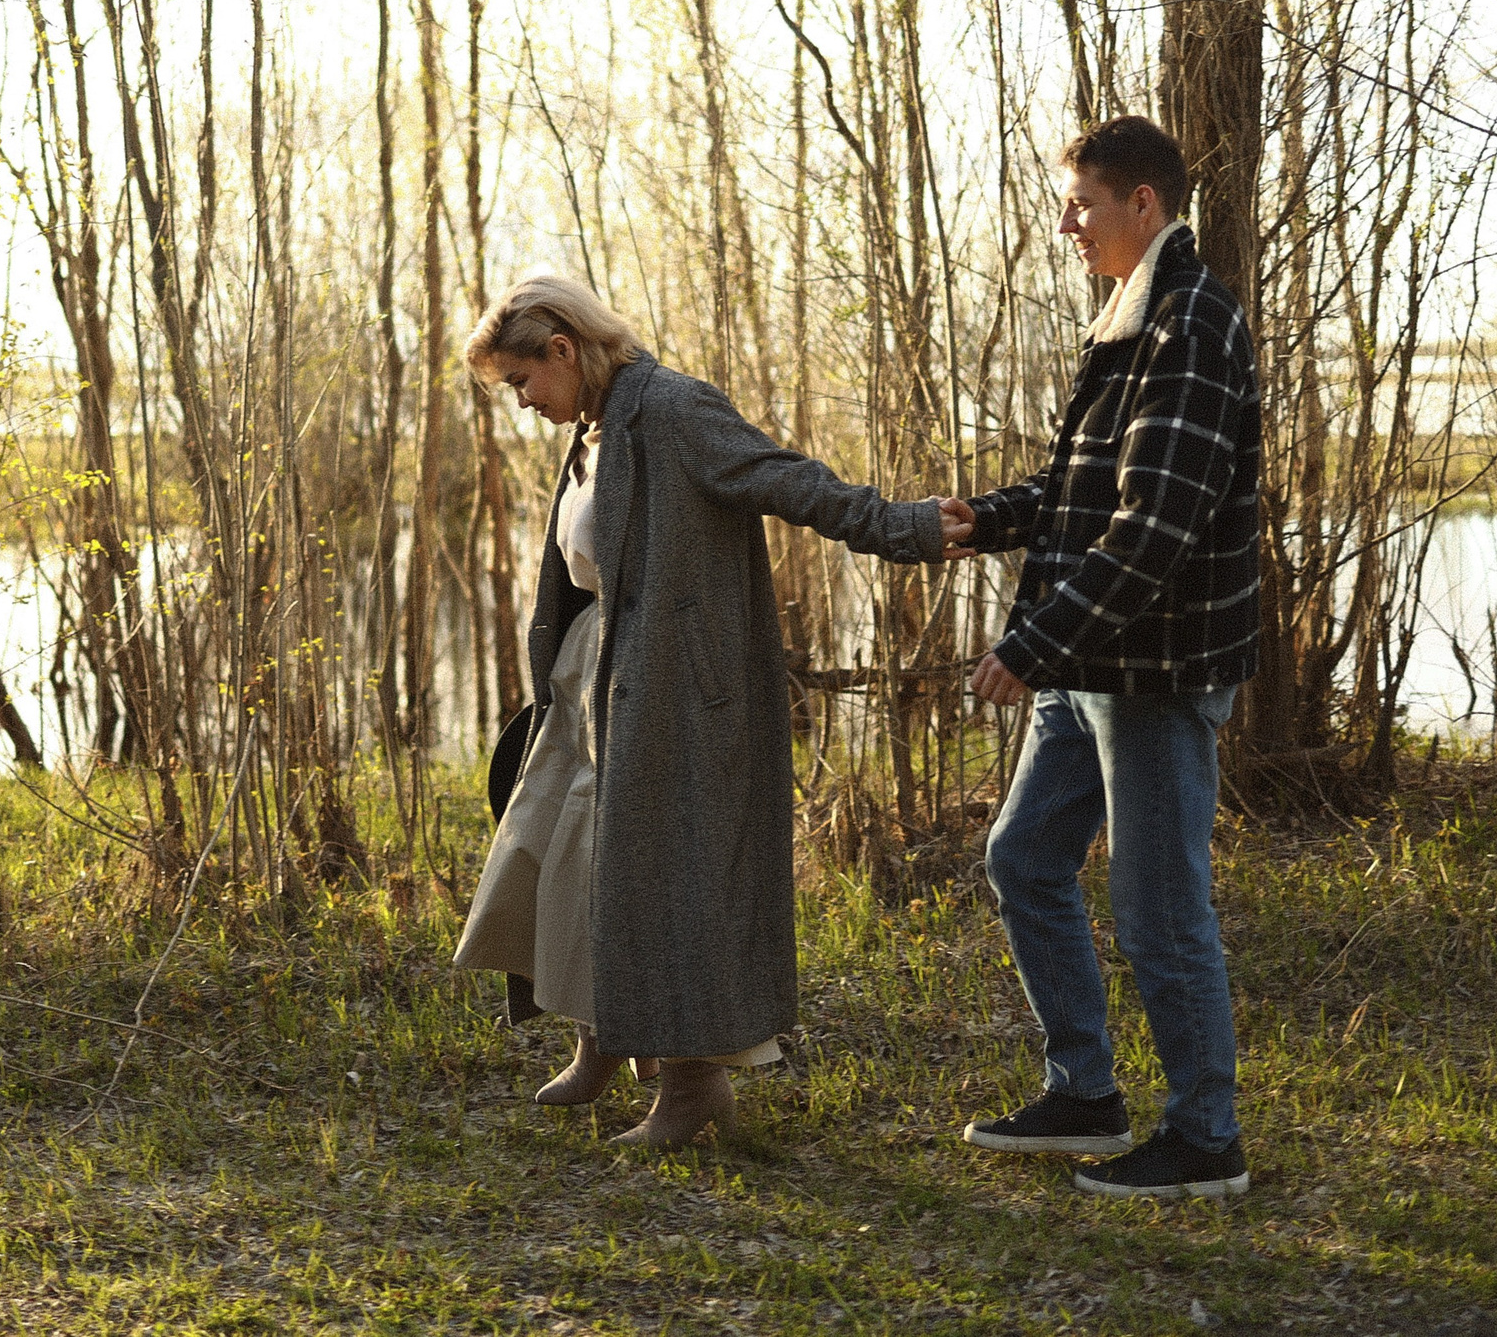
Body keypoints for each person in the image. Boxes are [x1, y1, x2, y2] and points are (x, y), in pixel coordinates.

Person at [452, 274, 972, 1147]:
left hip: (671, 687)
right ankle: (606, 1039)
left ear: (564, 350)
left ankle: (691, 1087)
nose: (524, 401)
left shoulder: (675, 409)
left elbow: (786, 480)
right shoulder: (590, 425)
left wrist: (903, 525)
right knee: (565, 855)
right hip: (595, 674)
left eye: (522, 382)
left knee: (664, 874)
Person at [949, 115, 1262, 1199]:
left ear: (1144, 204)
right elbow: (1086, 497)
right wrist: (983, 518)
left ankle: (1205, 1138)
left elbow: (1153, 528)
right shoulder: (1128, 319)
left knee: (1160, 911)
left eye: (1082, 202)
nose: (1067, 222)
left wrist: (1033, 644)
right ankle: (1083, 1091)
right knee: (1025, 859)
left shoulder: (1188, 326)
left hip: (1154, 673)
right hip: (1092, 668)